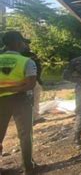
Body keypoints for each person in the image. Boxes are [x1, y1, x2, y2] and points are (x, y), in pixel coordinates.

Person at [0, 31, 38, 174]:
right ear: (17, 43)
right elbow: (30, 85)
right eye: (23, 42)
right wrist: (13, 88)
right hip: (20, 100)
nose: (24, 44)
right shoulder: (27, 62)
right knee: (25, 135)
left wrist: (3, 90)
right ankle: (28, 167)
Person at [22, 41, 44, 123]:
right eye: (26, 43)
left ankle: (31, 117)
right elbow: (37, 68)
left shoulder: (16, 55)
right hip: (32, 80)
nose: (28, 45)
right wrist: (38, 79)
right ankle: (35, 117)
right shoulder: (30, 55)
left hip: (21, 81)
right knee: (34, 99)